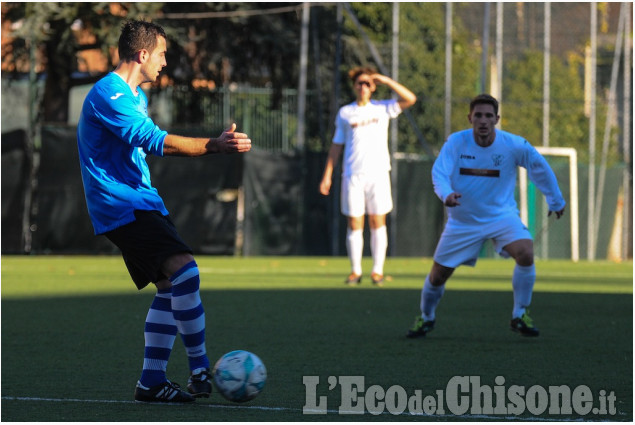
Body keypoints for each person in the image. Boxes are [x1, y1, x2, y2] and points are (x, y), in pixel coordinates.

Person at [76, 20, 251, 403]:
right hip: (122, 203)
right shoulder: (111, 93)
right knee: (186, 270)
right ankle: (201, 367)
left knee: (171, 286)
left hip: (139, 200)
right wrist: (215, 145)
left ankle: (151, 382)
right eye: (161, 54)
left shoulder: (133, 95)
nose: (164, 61)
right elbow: (154, 141)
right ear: (142, 55)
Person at [407, 94, 565, 339]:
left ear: (497, 119)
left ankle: (519, 313)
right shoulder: (456, 142)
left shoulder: (513, 145)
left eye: (488, 116)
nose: (483, 121)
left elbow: (539, 167)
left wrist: (555, 200)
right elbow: (439, 172)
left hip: (502, 216)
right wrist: (446, 194)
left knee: (526, 252)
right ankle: (426, 317)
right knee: (438, 275)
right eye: (478, 115)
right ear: (470, 118)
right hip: (463, 221)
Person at [319, 66, 416, 286]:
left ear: (373, 88)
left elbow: (410, 98)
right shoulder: (346, 112)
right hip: (353, 174)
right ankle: (355, 271)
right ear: (354, 86)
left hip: (378, 173)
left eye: (368, 83)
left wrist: (386, 80)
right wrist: (327, 175)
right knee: (354, 222)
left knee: (377, 220)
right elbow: (336, 146)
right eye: (360, 83)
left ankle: (377, 271)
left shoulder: (383, 108)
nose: (363, 87)